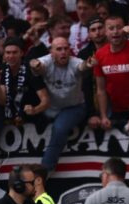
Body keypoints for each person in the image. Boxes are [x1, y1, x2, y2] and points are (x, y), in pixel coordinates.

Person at [30, 37, 92, 172]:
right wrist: (34, 64)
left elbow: (82, 67)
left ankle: (44, 171)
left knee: (59, 128)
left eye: (65, 49)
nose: (63, 52)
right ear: (51, 53)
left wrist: (88, 64)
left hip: (74, 107)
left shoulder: (75, 62)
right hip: (50, 108)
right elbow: (38, 67)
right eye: (59, 49)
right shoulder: (46, 61)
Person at [94, 15, 129, 133]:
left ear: (124, 29)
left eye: (119, 27)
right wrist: (103, 116)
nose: (115, 32)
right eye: (111, 28)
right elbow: (101, 89)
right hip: (115, 110)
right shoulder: (99, 55)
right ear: (105, 31)